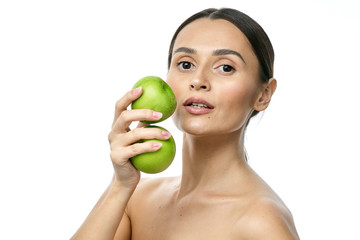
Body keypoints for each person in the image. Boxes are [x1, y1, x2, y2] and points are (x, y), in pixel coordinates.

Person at [71, 8, 300, 240]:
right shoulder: (135, 199)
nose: (198, 80)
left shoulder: (262, 221)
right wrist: (120, 185)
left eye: (226, 67)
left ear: (263, 94)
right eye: (186, 64)